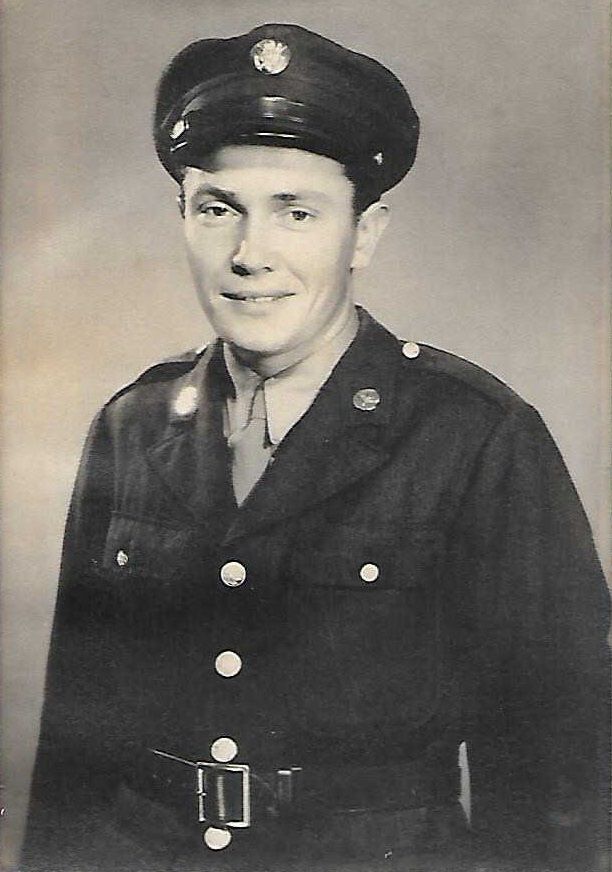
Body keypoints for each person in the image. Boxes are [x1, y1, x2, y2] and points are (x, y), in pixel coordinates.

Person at [22, 22, 609, 872]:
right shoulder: (132, 425)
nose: (249, 255)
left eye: (296, 213)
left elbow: (556, 782)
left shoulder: (475, 435)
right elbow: (72, 757)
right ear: (182, 218)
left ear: (363, 234)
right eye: (218, 209)